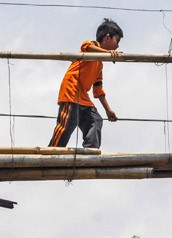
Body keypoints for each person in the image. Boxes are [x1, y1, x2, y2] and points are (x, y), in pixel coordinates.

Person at [48, 18, 123, 149]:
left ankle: (90, 151)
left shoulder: (99, 65)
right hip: (71, 93)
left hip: (83, 98)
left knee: (95, 120)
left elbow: (98, 91)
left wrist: (108, 110)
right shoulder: (92, 47)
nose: (117, 46)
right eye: (117, 41)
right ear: (107, 37)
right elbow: (85, 45)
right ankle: (52, 152)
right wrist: (107, 53)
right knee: (66, 126)